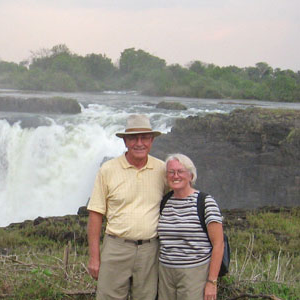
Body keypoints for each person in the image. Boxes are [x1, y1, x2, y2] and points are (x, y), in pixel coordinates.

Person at [87, 114, 167, 299]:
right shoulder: (108, 170)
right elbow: (95, 214)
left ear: (152, 140)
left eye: (144, 138)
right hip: (116, 247)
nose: (139, 143)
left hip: (150, 250)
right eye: (133, 138)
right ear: (125, 141)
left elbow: (180, 197)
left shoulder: (162, 170)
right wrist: (94, 257)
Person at [157, 153, 224, 300]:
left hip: (194, 273)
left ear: (191, 175)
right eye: (171, 172)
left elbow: (218, 244)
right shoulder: (164, 202)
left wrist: (212, 282)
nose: (175, 176)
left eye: (180, 171)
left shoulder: (205, 202)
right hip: (165, 274)